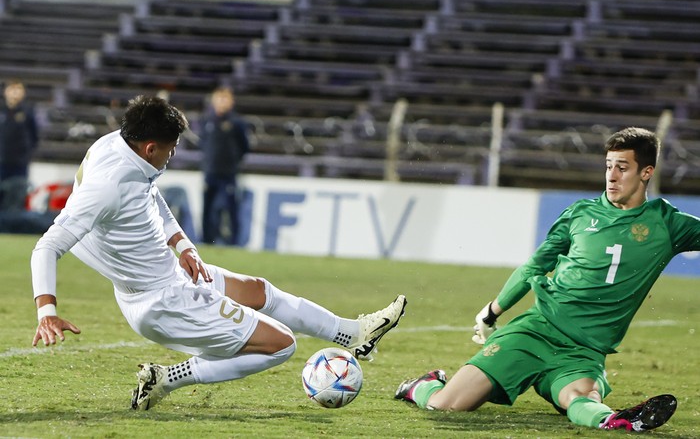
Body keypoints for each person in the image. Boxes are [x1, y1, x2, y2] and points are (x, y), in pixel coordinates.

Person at [30, 95, 407, 411]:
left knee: (259, 290)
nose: (172, 155)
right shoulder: (108, 186)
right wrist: (47, 312)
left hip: (168, 275)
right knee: (281, 345)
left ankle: (353, 334)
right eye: (171, 149)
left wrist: (182, 245)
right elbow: (47, 246)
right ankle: (166, 379)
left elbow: (150, 195)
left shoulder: (118, 145)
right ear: (150, 147)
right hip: (163, 300)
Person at [395, 127, 696, 432]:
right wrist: (492, 312)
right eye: (608, 166)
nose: (612, 176)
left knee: (580, 396)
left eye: (622, 167)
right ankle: (423, 386)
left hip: (585, 351)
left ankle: (614, 420)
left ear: (646, 173)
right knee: (446, 405)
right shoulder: (579, 215)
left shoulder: (667, 223)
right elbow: (533, 267)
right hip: (536, 331)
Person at [199, 86, 250, 245]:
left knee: (231, 208)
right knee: (207, 208)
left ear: (231, 102)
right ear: (213, 101)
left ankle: (234, 242)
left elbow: (245, 146)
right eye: (219, 99)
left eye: (225, 99)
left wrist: (233, 161)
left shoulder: (237, 122)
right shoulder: (206, 120)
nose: (222, 102)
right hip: (210, 172)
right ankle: (207, 240)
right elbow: (203, 143)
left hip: (229, 173)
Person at [0, 80, 38, 207]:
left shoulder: (28, 112)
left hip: (19, 164)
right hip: (1, 162)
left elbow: (34, 136)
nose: (15, 92)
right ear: (5, 91)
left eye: (18, 89)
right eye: (12, 88)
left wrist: (26, 155)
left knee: (17, 197)